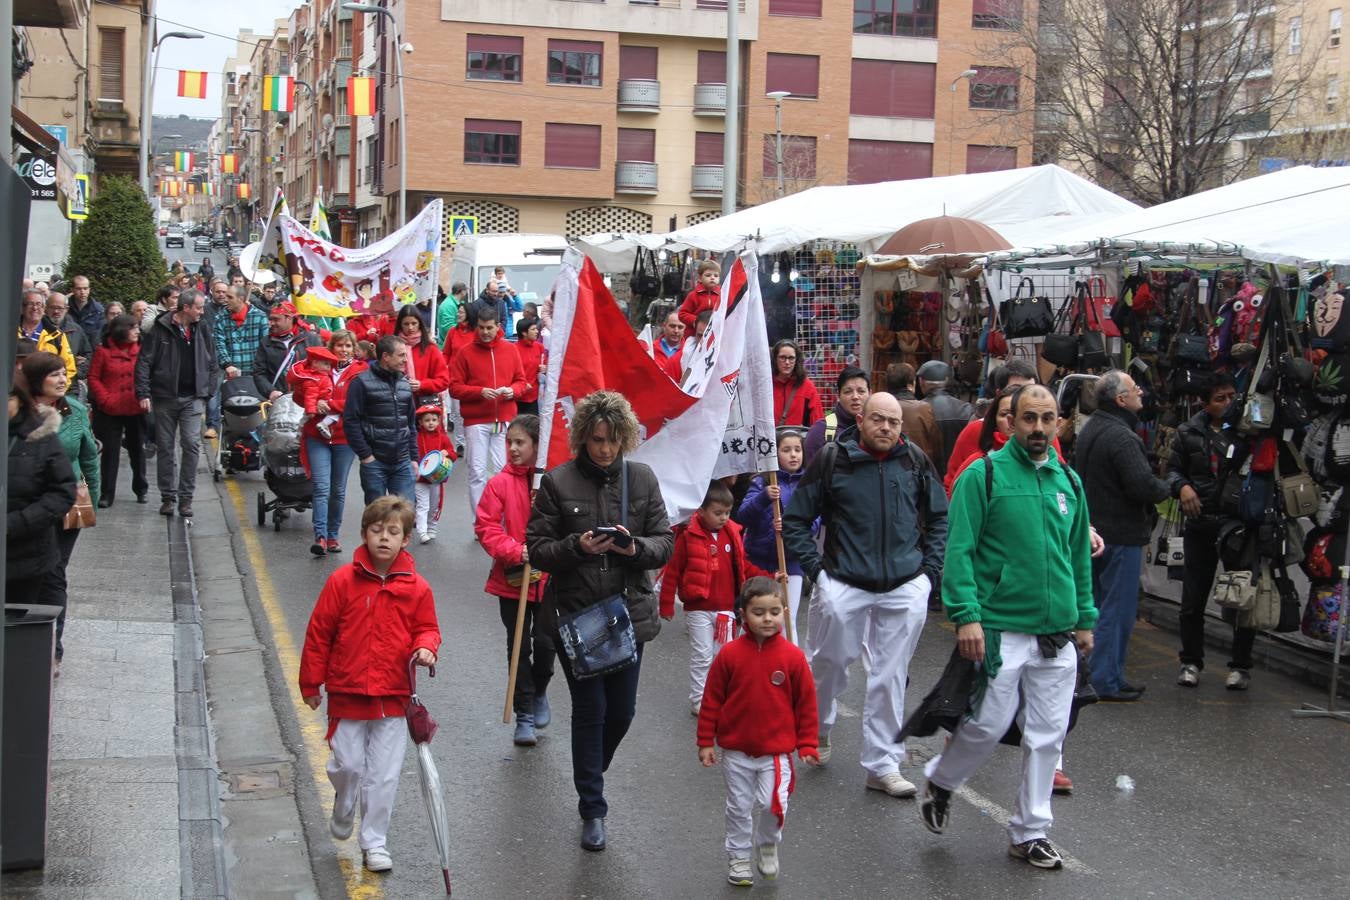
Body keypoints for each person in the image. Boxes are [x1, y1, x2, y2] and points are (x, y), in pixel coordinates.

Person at [919, 383, 1096, 870]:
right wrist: (966, 616)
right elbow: (960, 552)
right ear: (1010, 423)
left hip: (1057, 634)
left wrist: (1084, 618)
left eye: (1048, 418)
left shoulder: (1069, 482)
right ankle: (942, 779)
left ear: (1059, 423)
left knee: (1048, 735)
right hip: (1000, 630)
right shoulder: (984, 476)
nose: (1039, 428)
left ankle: (1030, 831)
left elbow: (1077, 555)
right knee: (987, 726)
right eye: (1029, 419)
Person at [526, 390, 674, 852]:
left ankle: (590, 768)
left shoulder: (643, 479)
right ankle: (593, 806)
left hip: (629, 614)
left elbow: (664, 542)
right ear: (583, 438)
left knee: (622, 713)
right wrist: (577, 548)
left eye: (611, 440)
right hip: (577, 616)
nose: (604, 449)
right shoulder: (557, 481)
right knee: (590, 713)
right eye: (596, 440)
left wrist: (634, 548)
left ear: (625, 438)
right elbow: (537, 550)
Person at [782, 392, 948, 796]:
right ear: (863, 418)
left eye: (893, 421)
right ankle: (819, 726)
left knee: (891, 676)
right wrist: (819, 573)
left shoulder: (915, 462)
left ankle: (883, 765)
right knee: (829, 662)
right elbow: (796, 520)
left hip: (905, 584)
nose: (886, 428)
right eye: (879, 419)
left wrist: (928, 575)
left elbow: (939, 518)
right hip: (843, 581)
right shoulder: (832, 459)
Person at [298, 495, 441, 875]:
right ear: (364, 533)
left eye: (393, 532)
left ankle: (374, 842)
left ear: (406, 539)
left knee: (384, 774)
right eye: (377, 530)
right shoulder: (341, 581)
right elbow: (319, 633)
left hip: (393, 696)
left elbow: (428, 628)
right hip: (347, 693)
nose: (384, 538)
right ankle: (344, 802)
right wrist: (311, 682)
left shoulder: (417, 588)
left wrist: (426, 648)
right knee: (348, 764)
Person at [697, 576, 820, 887]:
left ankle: (767, 843)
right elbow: (711, 700)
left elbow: (806, 703)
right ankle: (738, 856)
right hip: (736, 751)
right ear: (743, 615)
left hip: (776, 753)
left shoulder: (793, 658)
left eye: (774, 611)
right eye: (759, 612)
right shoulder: (729, 655)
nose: (768, 618)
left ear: (784, 612)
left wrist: (807, 743)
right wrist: (705, 742)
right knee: (738, 807)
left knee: (773, 803)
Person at [1074, 370, 1170, 701]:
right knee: (1116, 610)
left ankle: (1103, 673)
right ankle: (1105, 679)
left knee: (1097, 606)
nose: (1140, 392)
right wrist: (1169, 485)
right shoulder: (1122, 436)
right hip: (1120, 535)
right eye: (1134, 389)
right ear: (1120, 399)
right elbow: (1142, 485)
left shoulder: (1092, 428)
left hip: (1095, 532)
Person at [1165, 374, 1255, 690]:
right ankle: (1190, 662)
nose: (1228, 403)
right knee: (1193, 600)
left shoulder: (1248, 431)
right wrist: (1182, 487)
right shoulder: (1189, 431)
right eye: (1220, 398)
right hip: (1200, 525)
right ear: (1205, 403)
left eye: (1232, 396)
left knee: (1242, 597)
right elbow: (1172, 470)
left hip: (1237, 526)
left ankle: (1240, 666)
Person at [661, 482, 774, 716]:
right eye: (718, 513)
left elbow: (744, 566)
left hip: (726, 609)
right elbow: (672, 571)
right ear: (701, 512)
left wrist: (771, 576)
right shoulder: (688, 536)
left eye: (727, 513)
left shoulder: (732, 534)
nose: (723, 518)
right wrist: (666, 605)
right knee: (702, 654)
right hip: (698, 607)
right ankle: (699, 699)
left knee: (724, 656)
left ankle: (721, 696)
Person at [474, 413, 553, 747]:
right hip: (513, 578)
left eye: (520, 442)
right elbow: (486, 526)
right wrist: (513, 549)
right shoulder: (499, 483)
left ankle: (539, 691)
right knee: (519, 645)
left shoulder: (552, 481)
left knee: (548, 644)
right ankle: (523, 712)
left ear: (537, 445)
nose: (512, 449)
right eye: (509, 442)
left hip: (550, 579)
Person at [24, 352, 99, 667]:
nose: (62, 379)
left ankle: (53, 648)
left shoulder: (76, 410)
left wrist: (92, 501)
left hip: (68, 504)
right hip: (28, 506)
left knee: (54, 573)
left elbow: (89, 456)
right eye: (53, 374)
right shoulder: (20, 412)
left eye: (63, 373)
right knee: (32, 572)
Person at [135, 288, 218, 518]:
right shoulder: (161, 328)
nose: (202, 311)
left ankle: (186, 498)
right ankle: (168, 497)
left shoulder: (202, 327)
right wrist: (143, 393)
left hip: (193, 398)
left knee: (191, 444)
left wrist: (208, 391)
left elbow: (212, 360)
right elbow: (144, 361)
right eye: (199, 308)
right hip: (165, 397)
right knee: (165, 448)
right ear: (186, 308)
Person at [447, 306, 525, 516]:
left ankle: (503, 518)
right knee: (477, 472)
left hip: (504, 418)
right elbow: (454, 387)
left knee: (503, 470)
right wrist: (479, 392)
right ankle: (480, 522)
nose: (485, 332)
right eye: (481, 327)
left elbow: (521, 381)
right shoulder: (465, 352)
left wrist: (512, 391)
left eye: (489, 328)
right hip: (476, 420)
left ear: (498, 326)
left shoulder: (510, 350)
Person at [737, 428, 811, 647]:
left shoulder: (806, 484)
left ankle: (790, 669)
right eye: (786, 450)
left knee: (787, 619)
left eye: (797, 449)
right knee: (754, 619)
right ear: (775, 453)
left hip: (791, 563)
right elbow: (743, 516)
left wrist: (791, 526)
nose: (793, 455)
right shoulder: (762, 482)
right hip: (757, 563)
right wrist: (763, 497)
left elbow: (814, 520)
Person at [6, 384, 77, 605]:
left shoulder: (40, 435)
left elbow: (62, 491)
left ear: (19, 399)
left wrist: (15, 523)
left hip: (27, 556)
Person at [306, 331, 367, 554]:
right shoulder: (317, 367)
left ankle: (333, 535)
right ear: (331, 347)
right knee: (321, 487)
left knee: (337, 490)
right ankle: (320, 536)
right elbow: (300, 393)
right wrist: (310, 400)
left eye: (348, 346)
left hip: (344, 437)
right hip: (317, 435)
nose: (343, 350)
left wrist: (328, 404)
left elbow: (356, 403)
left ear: (354, 349)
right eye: (339, 345)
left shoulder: (361, 371)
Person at [944, 359, 1040, 495]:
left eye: (1032, 391)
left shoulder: (1042, 434)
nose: (1025, 398)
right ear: (999, 394)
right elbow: (952, 484)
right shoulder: (975, 431)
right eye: (1017, 391)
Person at [343, 335, 417, 504]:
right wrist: (366, 455)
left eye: (405, 355)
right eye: (401, 355)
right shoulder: (361, 383)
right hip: (375, 462)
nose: (405, 360)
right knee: (376, 519)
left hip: (403, 462)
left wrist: (413, 457)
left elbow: (411, 424)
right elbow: (351, 421)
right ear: (385, 356)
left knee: (403, 519)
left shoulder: (405, 384)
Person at [88, 315, 149, 506]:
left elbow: (149, 374)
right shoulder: (103, 351)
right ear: (122, 330)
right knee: (110, 452)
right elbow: (93, 377)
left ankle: (141, 489)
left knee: (137, 450)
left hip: (135, 407)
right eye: (133, 328)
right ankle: (107, 494)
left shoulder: (142, 350)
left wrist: (145, 396)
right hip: (110, 409)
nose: (137, 331)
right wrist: (105, 399)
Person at [916, 359, 976, 477]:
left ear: (921, 382)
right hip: (959, 474)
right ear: (947, 380)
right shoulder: (965, 409)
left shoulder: (918, 411)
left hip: (928, 477)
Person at [254, 301, 322, 400]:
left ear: (289, 318)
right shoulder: (266, 342)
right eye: (270, 319)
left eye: (276, 319)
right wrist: (270, 391)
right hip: (278, 400)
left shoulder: (311, 339)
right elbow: (259, 373)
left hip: (307, 399)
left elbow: (321, 370)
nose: (271, 323)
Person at [803, 366, 870, 462]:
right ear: (838, 395)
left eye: (861, 391)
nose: (855, 397)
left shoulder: (876, 429)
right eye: (848, 391)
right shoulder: (820, 431)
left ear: (870, 393)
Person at [412, 404, 457, 543]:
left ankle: (432, 527)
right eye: (427, 420)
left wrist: (447, 453)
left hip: (436, 478)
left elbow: (453, 454)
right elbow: (412, 455)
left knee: (434, 505)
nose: (431, 423)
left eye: (433, 420)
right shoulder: (416, 438)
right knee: (422, 505)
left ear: (438, 421)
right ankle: (422, 531)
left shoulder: (443, 438)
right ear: (420, 422)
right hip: (420, 479)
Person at [885, 362, 943, 465]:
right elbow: (936, 447)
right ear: (911, 385)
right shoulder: (924, 409)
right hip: (919, 468)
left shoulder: (881, 408)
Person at [214, 284, 270, 389]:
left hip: (256, 373)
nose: (226, 299)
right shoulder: (220, 318)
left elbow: (266, 344)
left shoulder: (260, 316)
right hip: (231, 374)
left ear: (241, 299)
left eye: (230, 297)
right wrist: (227, 364)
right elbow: (218, 343)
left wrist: (261, 367)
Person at [17, 287, 76, 384]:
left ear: (44, 308)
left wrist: (54, 391)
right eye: (30, 304)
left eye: (38, 304)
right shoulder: (9, 333)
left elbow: (69, 368)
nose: (35, 308)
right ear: (22, 308)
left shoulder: (57, 335)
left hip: (46, 393)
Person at [394, 305, 450, 406]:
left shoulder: (431, 348)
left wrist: (422, 385)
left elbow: (444, 381)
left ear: (419, 323)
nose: (410, 327)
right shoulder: (393, 347)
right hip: (399, 404)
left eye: (414, 323)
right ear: (400, 325)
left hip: (426, 407)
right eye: (406, 324)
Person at [772, 339, 823, 429]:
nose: (787, 362)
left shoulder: (807, 386)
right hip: (770, 441)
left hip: (799, 441)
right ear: (775, 359)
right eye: (782, 357)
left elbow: (817, 422)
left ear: (797, 360)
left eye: (791, 358)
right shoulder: (766, 385)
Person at [45, 292, 93, 387]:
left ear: (66, 309)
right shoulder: (40, 328)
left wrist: (76, 372)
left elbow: (88, 356)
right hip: (44, 385)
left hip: (71, 386)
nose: (56, 311)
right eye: (52, 307)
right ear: (46, 308)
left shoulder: (76, 330)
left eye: (59, 308)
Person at [514, 318, 546, 416]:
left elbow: (545, 364)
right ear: (524, 333)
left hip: (535, 396)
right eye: (533, 329)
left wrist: (544, 368)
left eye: (536, 329)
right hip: (518, 396)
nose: (537, 331)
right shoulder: (513, 349)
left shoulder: (540, 347)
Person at [678, 260, 721, 331]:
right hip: (694, 332)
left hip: (714, 332)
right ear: (700, 278)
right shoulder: (693, 295)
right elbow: (682, 314)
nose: (712, 278)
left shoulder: (722, 296)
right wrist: (696, 321)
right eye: (708, 275)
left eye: (716, 276)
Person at [68, 275, 105, 347]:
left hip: (90, 353)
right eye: (79, 289)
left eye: (85, 288)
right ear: (72, 290)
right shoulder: (65, 308)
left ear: (89, 290)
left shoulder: (98, 310)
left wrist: (88, 355)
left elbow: (99, 337)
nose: (82, 292)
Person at [653, 312, 686, 382]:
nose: (676, 331)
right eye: (672, 326)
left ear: (685, 329)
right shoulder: (650, 349)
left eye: (680, 327)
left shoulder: (689, 353)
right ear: (664, 326)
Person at [436, 282, 467, 352]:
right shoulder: (448, 305)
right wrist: (466, 328)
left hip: (453, 345)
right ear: (462, 291)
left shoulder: (455, 303)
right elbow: (448, 327)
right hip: (448, 347)